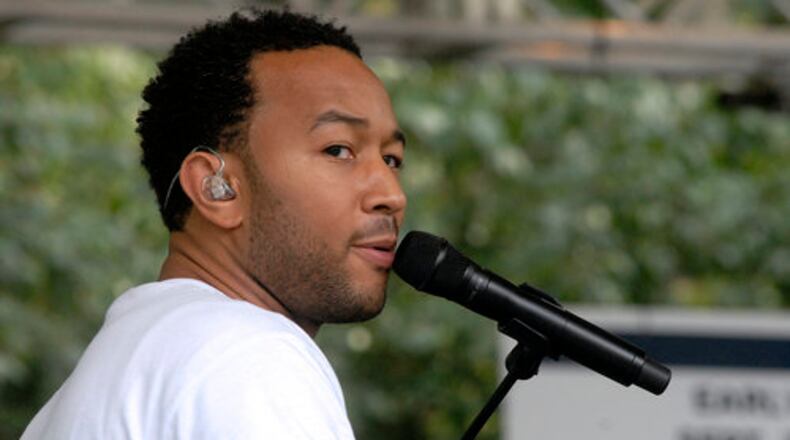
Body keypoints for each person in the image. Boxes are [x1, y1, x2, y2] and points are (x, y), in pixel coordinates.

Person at [22, 8, 406, 439]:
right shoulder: (246, 354)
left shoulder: (132, 359)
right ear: (216, 188)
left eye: (392, 159)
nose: (392, 195)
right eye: (338, 150)